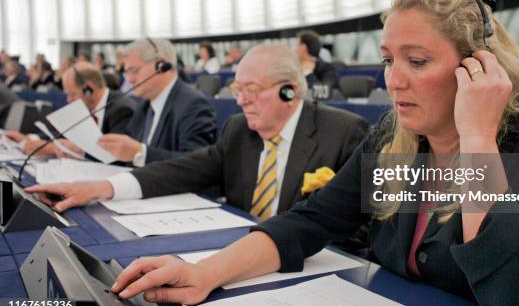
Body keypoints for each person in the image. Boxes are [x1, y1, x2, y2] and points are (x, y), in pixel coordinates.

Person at [102, 0, 519, 306]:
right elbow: (313, 220)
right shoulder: (396, 139)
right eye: (388, 60)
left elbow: (517, 303)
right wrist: (203, 272)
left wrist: (479, 141)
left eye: (417, 61)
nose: (394, 81)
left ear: (478, 68)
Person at [26, 43, 369, 217]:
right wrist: (100, 188)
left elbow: (362, 229)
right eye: (237, 91)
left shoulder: (346, 132)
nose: (241, 102)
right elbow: (181, 171)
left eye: (251, 90)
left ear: (291, 90)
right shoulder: (239, 131)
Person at [95, 38, 216, 166]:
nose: (129, 79)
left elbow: (197, 164)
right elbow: (124, 152)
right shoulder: (145, 106)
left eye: (134, 70)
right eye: (126, 72)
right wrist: (87, 151)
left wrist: (140, 153)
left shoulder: (193, 105)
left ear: (161, 66)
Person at [5, 62, 135, 156]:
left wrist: (54, 149)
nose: (68, 100)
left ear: (88, 89)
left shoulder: (122, 109)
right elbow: (64, 135)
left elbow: (113, 155)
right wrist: (30, 138)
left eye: (72, 94)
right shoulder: (88, 106)